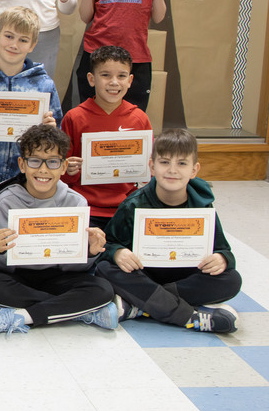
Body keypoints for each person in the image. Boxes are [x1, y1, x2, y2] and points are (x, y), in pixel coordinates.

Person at [0, 125, 118, 338]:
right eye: (34, 161)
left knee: (103, 288)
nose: (43, 170)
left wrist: (90, 253)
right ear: (22, 164)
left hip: (60, 275)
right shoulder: (5, 202)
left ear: (63, 166)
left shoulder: (76, 202)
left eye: (52, 162)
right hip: (19, 276)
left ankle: (22, 316)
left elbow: (76, 266)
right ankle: (76, 311)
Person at [96, 129, 242, 333]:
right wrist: (118, 253)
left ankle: (141, 306)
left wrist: (222, 259)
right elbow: (107, 247)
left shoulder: (203, 206)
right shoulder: (133, 204)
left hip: (184, 276)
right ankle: (188, 317)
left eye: (182, 163)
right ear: (152, 166)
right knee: (105, 270)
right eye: (165, 162)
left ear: (194, 170)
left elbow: (224, 250)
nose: (172, 170)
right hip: (144, 273)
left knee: (231, 279)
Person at [0, 6, 62, 261]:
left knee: (25, 256)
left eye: (23, 39)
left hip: (25, 186)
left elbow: (59, 143)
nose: (14, 44)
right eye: (9, 36)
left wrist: (51, 131)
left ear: (33, 44)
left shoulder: (44, 85)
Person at [61, 46, 153, 229]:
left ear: (130, 80)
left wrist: (149, 169)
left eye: (121, 76)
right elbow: (61, 173)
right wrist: (67, 169)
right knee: (87, 255)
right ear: (91, 79)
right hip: (83, 206)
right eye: (105, 75)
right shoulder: (74, 117)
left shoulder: (139, 119)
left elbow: (149, 170)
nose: (114, 82)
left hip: (127, 206)